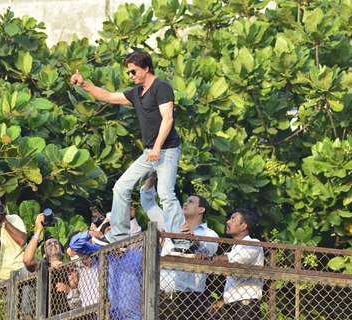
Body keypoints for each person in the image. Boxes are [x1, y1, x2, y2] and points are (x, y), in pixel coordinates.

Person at [71, 51, 184, 245]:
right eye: (128, 73)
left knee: (165, 193)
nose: (130, 76)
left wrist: (157, 147)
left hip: (167, 150)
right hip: (149, 153)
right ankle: (119, 235)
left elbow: (168, 118)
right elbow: (106, 96)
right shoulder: (136, 93)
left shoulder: (161, 87)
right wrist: (84, 84)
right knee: (121, 187)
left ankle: (181, 241)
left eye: (133, 71)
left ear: (146, 68)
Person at [140, 174, 219, 320]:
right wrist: (153, 175)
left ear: (201, 210)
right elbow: (147, 201)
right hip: (163, 296)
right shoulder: (168, 223)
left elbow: (209, 250)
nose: (185, 203)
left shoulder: (210, 233)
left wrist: (192, 239)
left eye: (191, 202)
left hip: (190, 299)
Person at [209, 209, 264, 320]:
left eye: (233, 219)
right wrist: (224, 301)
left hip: (246, 305)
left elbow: (236, 260)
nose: (228, 222)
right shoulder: (235, 248)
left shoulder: (253, 243)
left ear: (244, 226)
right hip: (232, 304)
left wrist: (216, 259)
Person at [23, 213, 75, 317]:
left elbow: (79, 288)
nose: (53, 244)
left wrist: (68, 290)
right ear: (44, 254)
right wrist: (38, 230)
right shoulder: (42, 265)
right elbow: (27, 260)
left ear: (62, 252)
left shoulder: (69, 267)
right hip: (43, 314)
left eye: (56, 243)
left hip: (65, 313)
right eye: (49, 244)